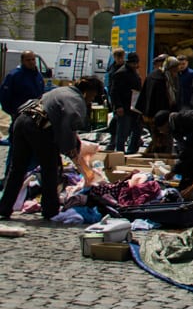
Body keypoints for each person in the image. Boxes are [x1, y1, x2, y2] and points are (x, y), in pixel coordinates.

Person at [0, 77, 103, 220]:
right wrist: (70, 148)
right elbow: (70, 120)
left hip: (22, 121)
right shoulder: (76, 100)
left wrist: (72, 142)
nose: (91, 100)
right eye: (92, 96)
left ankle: (5, 208)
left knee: (17, 168)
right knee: (50, 168)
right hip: (40, 127)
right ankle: (50, 210)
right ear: (88, 92)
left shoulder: (61, 91)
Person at [0, 50, 46, 190]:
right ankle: (9, 180)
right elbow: (4, 97)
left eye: (33, 59)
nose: (32, 62)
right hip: (20, 118)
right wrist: (14, 112)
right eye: (28, 60)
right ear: (22, 61)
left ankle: (29, 178)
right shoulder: (14, 76)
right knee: (16, 151)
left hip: (36, 119)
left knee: (34, 151)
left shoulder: (37, 75)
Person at [137, 56, 180, 154]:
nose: (176, 73)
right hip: (156, 116)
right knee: (161, 139)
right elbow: (150, 98)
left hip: (164, 115)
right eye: (174, 70)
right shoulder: (157, 78)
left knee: (161, 140)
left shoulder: (169, 78)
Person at [110, 52, 143, 153]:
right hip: (124, 107)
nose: (135, 65)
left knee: (137, 130)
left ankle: (131, 151)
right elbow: (114, 91)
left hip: (134, 106)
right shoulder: (121, 73)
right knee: (123, 132)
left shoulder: (134, 72)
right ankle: (120, 152)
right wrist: (118, 106)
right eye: (134, 63)